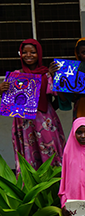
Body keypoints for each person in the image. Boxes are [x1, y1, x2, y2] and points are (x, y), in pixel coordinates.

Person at [0, 38, 66, 170]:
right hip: (23, 123)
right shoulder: (16, 76)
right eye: (24, 52)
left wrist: (55, 77)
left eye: (33, 52)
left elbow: (61, 98)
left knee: (51, 152)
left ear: (39, 54)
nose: (28, 55)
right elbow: (8, 103)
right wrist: (1, 90)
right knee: (27, 154)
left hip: (44, 121)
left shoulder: (47, 74)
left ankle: (55, 187)